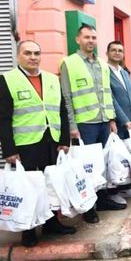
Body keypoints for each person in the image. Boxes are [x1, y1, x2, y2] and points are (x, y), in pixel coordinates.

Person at [0, 40, 76, 247]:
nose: (33, 57)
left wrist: (64, 139)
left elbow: (61, 110)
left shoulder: (52, 79)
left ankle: (52, 223)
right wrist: (9, 149)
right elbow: (3, 118)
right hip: (25, 145)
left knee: (50, 185)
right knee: (30, 188)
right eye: (28, 53)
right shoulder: (7, 79)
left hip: (52, 141)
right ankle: (29, 230)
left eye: (36, 53)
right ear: (18, 56)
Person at [60, 25, 123, 224]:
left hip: (104, 121)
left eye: (94, 37)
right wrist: (72, 126)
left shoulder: (102, 64)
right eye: (86, 37)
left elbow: (108, 94)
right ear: (78, 39)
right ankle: (88, 207)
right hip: (84, 124)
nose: (90, 41)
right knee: (86, 167)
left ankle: (103, 200)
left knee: (102, 165)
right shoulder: (69, 63)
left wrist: (112, 118)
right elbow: (66, 98)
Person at [107, 41, 131, 200]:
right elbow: (111, 99)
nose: (117, 53)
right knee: (117, 158)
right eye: (114, 50)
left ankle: (127, 187)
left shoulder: (124, 72)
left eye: (120, 51)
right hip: (117, 122)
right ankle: (115, 191)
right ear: (108, 53)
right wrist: (123, 119)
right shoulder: (106, 72)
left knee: (129, 155)